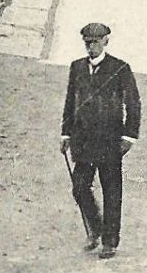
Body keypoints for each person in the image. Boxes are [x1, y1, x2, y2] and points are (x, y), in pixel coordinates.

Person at [58, 22, 141, 259]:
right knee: (79, 187)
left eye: (95, 42)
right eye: (87, 43)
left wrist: (129, 136)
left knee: (112, 190)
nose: (91, 47)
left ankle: (110, 241)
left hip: (110, 141)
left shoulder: (120, 68)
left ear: (106, 41)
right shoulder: (76, 68)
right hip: (82, 141)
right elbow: (70, 102)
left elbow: (133, 103)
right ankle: (95, 227)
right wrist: (66, 133)